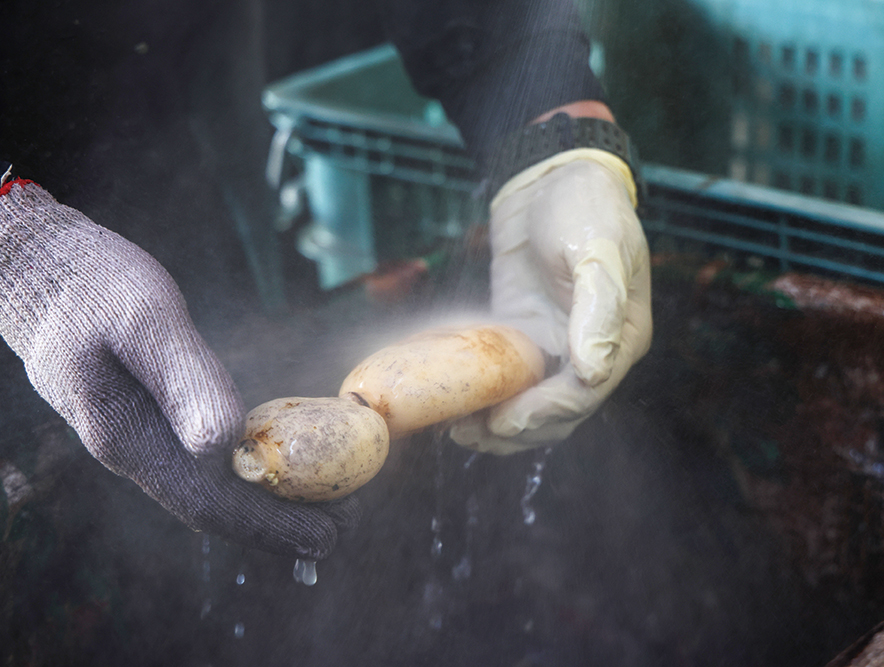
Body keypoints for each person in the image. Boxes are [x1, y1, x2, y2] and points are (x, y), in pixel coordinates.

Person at [0, 0, 651, 561]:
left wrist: (548, 123)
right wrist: (18, 248)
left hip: (182, 64)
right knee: (61, 477)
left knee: (207, 372)